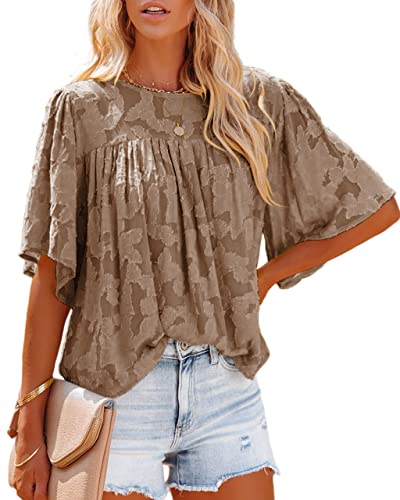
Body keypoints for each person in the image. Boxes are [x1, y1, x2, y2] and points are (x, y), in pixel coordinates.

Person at [10, 0, 399, 499]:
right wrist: (30, 418)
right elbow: (53, 271)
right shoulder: (84, 109)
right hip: (115, 395)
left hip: (225, 389)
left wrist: (263, 279)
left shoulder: (255, 102)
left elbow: (374, 208)